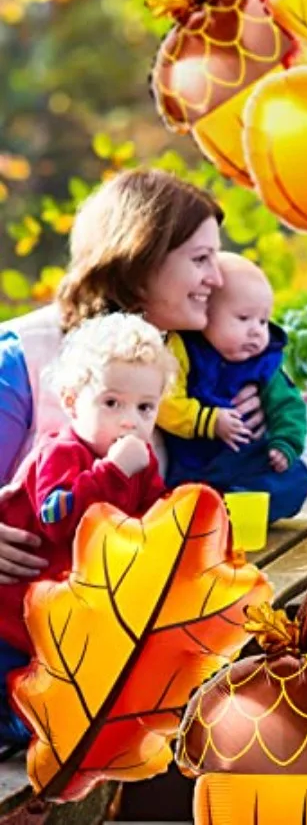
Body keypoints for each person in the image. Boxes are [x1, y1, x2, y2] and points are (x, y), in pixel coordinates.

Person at [0, 168, 268, 586]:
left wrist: (254, 426)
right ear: (138, 261)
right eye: (200, 259)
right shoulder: (24, 357)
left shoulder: (188, 362)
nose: (216, 279)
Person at [0, 313, 175, 745]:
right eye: (112, 403)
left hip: (66, 610)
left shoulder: (138, 459)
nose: (129, 420)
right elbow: (60, 520)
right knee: (15, 691)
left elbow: (155, 516)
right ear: (73, 401)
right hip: (13, 605)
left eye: (144, 407)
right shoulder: (61, 452)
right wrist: (114, 471)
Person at [158, 252, 307, 522]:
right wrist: (209, 420)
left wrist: (284, 444)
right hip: (195, 465)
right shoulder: (183, 350)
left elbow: (288, 406)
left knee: (298, 479)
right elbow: (165, 402)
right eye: (243, 318)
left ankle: (233, 505)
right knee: (182, 497)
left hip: (247, 462)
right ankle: (210, 508)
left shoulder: (265, 363)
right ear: (205, 313)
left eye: (263, 321)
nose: (256, 330)